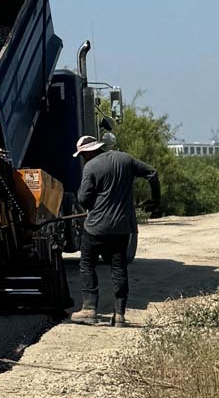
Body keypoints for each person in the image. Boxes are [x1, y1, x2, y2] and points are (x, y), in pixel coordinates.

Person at [71, 135, 161, 327]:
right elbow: (152, 173)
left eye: (83, 155)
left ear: (88, 152)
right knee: (118, 268)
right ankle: (119, 314)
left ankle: (89, 309)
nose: (83, 158)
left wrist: (92, 202)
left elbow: (83, 199)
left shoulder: (91, 167)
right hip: (122, 227)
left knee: (87, 265)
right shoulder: (125, 159)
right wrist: (155, 201)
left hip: (96, 227)